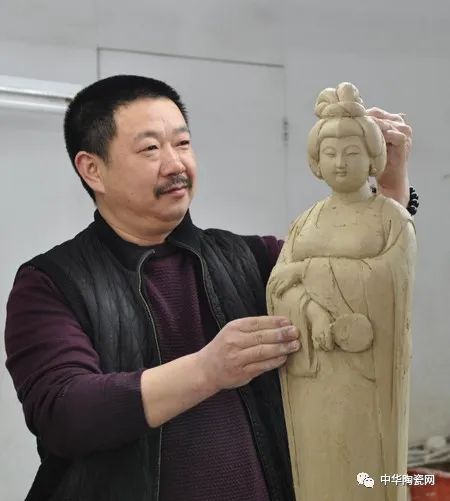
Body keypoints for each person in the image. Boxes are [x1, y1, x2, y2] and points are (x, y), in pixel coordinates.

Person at [4, 75, 414, 501]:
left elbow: (354, 279)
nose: (175, 164)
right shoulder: (51, 283)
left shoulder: (252, 259)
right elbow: (64, 414)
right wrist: (206, 370)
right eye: (150, 149)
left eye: (182, 143)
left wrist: (388, 190)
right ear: (93, 169)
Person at [267, 82, 416, 501]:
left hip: (368, 371)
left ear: (373, 158)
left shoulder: (391, 219)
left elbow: (388, 277)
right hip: (314, 373)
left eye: (351, 152)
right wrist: (313, 311)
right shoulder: (305, 222)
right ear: (316, 161)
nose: (340, 163)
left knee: (370, 474)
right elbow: (279, 285)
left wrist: (310, 270)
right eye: (329, 153)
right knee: (319, 466)